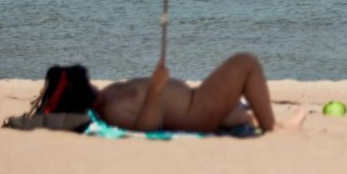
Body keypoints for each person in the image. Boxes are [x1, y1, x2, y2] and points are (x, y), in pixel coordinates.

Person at [91, 53, 305, 133]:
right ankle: (273, 129)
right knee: (246, 63)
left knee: (242, 115)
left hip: (194, 100)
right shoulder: (111, 111)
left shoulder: (108, 94)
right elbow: (147, 127)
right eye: (86, 85)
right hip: (193, 116)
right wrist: (155, 88)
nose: (91, 84)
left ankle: (275, 124)